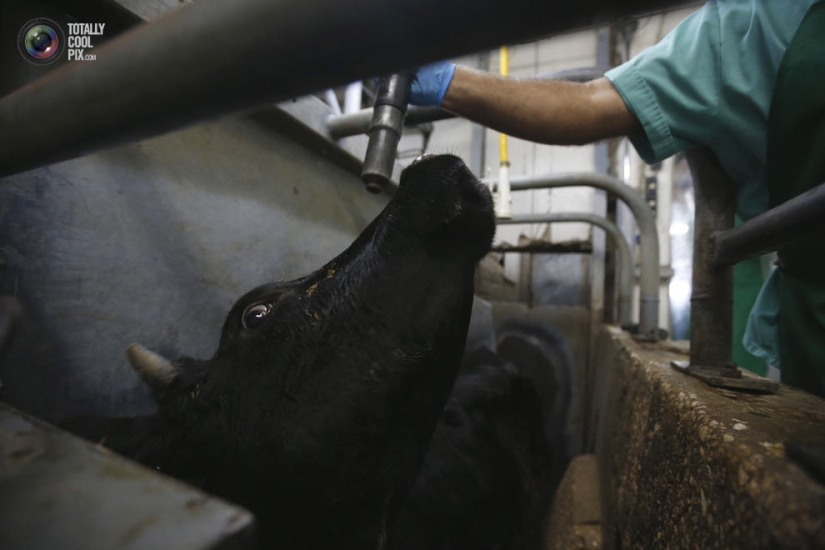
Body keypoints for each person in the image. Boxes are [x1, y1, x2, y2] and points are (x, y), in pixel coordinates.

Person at [408, 0, 825, 397]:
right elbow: (590, 103)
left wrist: (447, 82)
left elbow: (593, 103)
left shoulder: (753, 21)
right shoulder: (755, 21)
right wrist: (448, 82)